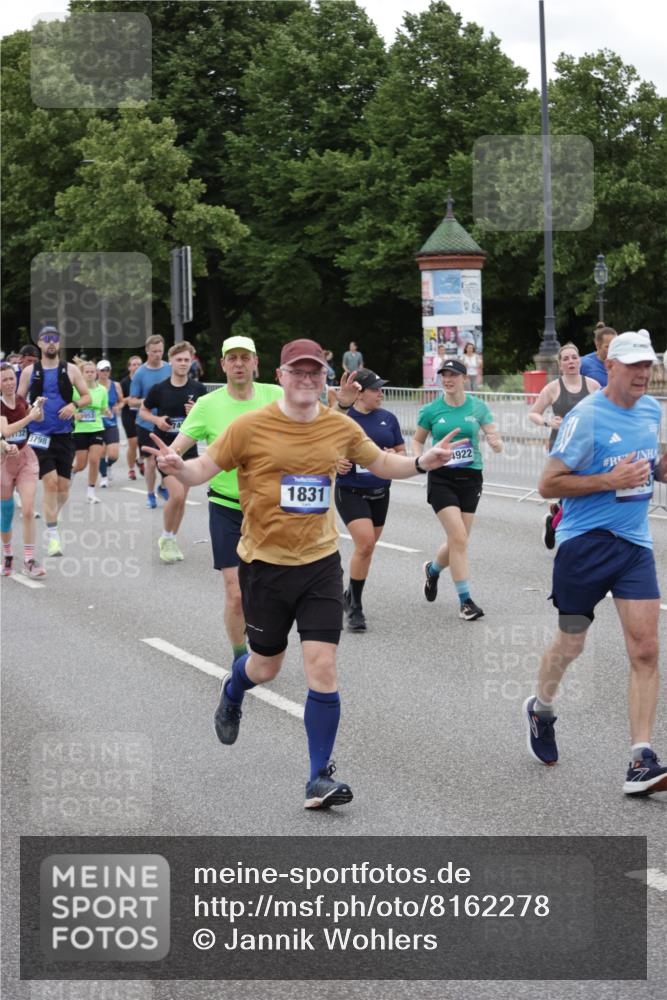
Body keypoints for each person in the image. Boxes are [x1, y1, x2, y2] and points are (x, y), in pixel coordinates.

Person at [147, 338, 458, 809]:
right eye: (298, 371)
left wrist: (420, 462)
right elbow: (203, 469)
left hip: (319, 563)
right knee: (265, 667)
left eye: (315, 372)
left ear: (324, 378)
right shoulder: (249, 426)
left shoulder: (338, 425)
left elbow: (380, 462)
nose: (307, 379)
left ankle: (318, 777)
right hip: (265, 566)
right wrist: (178, 468)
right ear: (281, 376)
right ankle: (234, 688)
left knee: (323, 667)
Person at [525, 331, 667, 796]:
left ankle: (641, 758)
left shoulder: (652, 410)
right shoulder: (585, 417)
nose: (644, 373)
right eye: (634, 365)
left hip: (634, 545)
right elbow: (548, 484)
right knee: (572, 643)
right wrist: (610, 479)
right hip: (584, 544)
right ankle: (541, 709)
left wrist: (660, 468)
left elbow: (650, 467)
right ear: (611, 367)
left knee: (646, 650)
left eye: (648, 365)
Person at [170, 336, 283, 656]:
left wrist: (342, 405)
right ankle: (239, 657)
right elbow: (177, 447)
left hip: (270, 509)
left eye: (245, 357)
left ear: (256, 362)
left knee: (269, 592)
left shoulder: (277, 396)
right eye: (232, 358)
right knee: (236, 594)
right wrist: (171, 459)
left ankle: (266, 646)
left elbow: (318, 423)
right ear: (222, 365)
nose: (239, 364)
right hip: (226, 507)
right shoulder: (208, 404)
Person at [413, 358, 503, 621]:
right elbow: (417, 441)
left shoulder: (478, 407)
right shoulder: (431, 410)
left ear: (465, 378)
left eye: (453, 375)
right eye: (444, 375)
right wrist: (420, 460)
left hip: (471, 477)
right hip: (442, 478)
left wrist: (496, 442)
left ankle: (432, 570)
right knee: (459, 537)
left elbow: (494, 436)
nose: (447, 379)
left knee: (459, 540)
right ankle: (466, 602)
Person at [334, 368, 405, 632]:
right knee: (364, 544)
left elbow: (402, 451)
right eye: (375, 389)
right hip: (350, 491)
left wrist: (393, 455)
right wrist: (335, 461)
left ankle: (349, 594)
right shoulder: (344, 418)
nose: (381, 393)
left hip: (380, 492)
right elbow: (322, 448)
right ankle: (355, 608)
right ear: (359, 393)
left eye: (381, 388)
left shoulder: (388, 418)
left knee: (368, 548)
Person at [17, 326, 91, 556]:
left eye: (55, 339)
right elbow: (19, 402)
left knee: (63, 489)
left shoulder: (70, 370)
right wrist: (31, 411)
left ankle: (51, 517)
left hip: (64, 435)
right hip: (38, 435)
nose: (51, 342)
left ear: (59, 343)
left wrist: (73, 405)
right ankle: (53, 535)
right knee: (50, 483)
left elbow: (87, 396)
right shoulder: (30, 371)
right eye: (46, 339)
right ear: (39, 343)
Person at [139, 341, 207, 563]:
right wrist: (157, 419)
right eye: (179, 359)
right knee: (176, 495)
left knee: (181, 500)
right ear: (171, 362)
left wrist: (196, 411)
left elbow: (207, 418)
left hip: (189, 452)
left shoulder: (199, 390)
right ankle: (166, 538)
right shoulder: (159, 389)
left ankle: (172, 538)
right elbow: (143, 411)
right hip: (166, 452)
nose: (183, 363)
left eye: (187, 360)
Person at [528, 343, 601, 549]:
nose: (571, 362)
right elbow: (533, 413)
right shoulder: (553, 388)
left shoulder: (593, 386)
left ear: (580, 361)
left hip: (588, 445)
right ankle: (562, 526)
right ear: (560, 365)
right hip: (561, 445)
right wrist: (548, 422)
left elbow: (604, 411)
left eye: (574, 357)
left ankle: (555, 520)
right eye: (566, 359)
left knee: (582, 491)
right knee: (570, 490)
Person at [0, 362, 46, 577]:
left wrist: (39, 408)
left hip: (25, 458)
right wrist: (29, 418)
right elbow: (6, 431)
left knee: (28, 510)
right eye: (4, 380)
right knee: (6, 513)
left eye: (11, 378)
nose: (9, 383)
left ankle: (29, 560)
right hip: (4, 462)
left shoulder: (20, 400)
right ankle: (8, 554)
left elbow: (38, 418)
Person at [128, 335, 171, 508]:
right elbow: (132, 401)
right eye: (154, 352)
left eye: (160, 351)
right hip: (146, 423)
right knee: (151, 462)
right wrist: (149, 400)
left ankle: (163, 487)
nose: (157, 355)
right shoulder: (140, 373)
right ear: (147, 351)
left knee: (169, 460)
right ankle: (150, 494)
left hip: (166, 423)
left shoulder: (169, 368)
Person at [72, 360, 109, 504]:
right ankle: (72, 471)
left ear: (96, 373)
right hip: (80, 430)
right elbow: (68, 406)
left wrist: (107, 412)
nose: (89, 374)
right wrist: (75, 414)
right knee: (81, 465)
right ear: (82, 374)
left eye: (92, 371)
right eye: (86, 372)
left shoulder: (102, 390)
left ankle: (91, 492)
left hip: (97, 428)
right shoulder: (75, 390)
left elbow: (103, 408)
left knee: (94, 460)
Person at [96, 360, 123, 487]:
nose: (104, 373)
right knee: (101, 452)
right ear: (97, 371)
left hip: (111, 424)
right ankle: (104, 477)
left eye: (107, 370)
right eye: (102, 370)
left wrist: (118, 406)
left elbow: (122, 401)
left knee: (114, 454)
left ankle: (108, 466)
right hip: (97, 424)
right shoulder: (93, 386)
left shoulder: (116, 386)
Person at [120, 356, 142, 480]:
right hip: (128, 414)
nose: (137, 367)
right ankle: (131, 469)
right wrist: (131, 398)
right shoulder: (124, 382)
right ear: (129, 367)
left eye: (139, 364)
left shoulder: (145, 380)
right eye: (134, 364)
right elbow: (120, 401)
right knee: (133, 443)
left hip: (143, 414)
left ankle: (141, 460)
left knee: (144, 442)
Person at [579, 323, 617, 387]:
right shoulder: (584, 364)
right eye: (607, 347)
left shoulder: (623, 364)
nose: (612, 349)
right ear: (597, 345)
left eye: (615, 346)